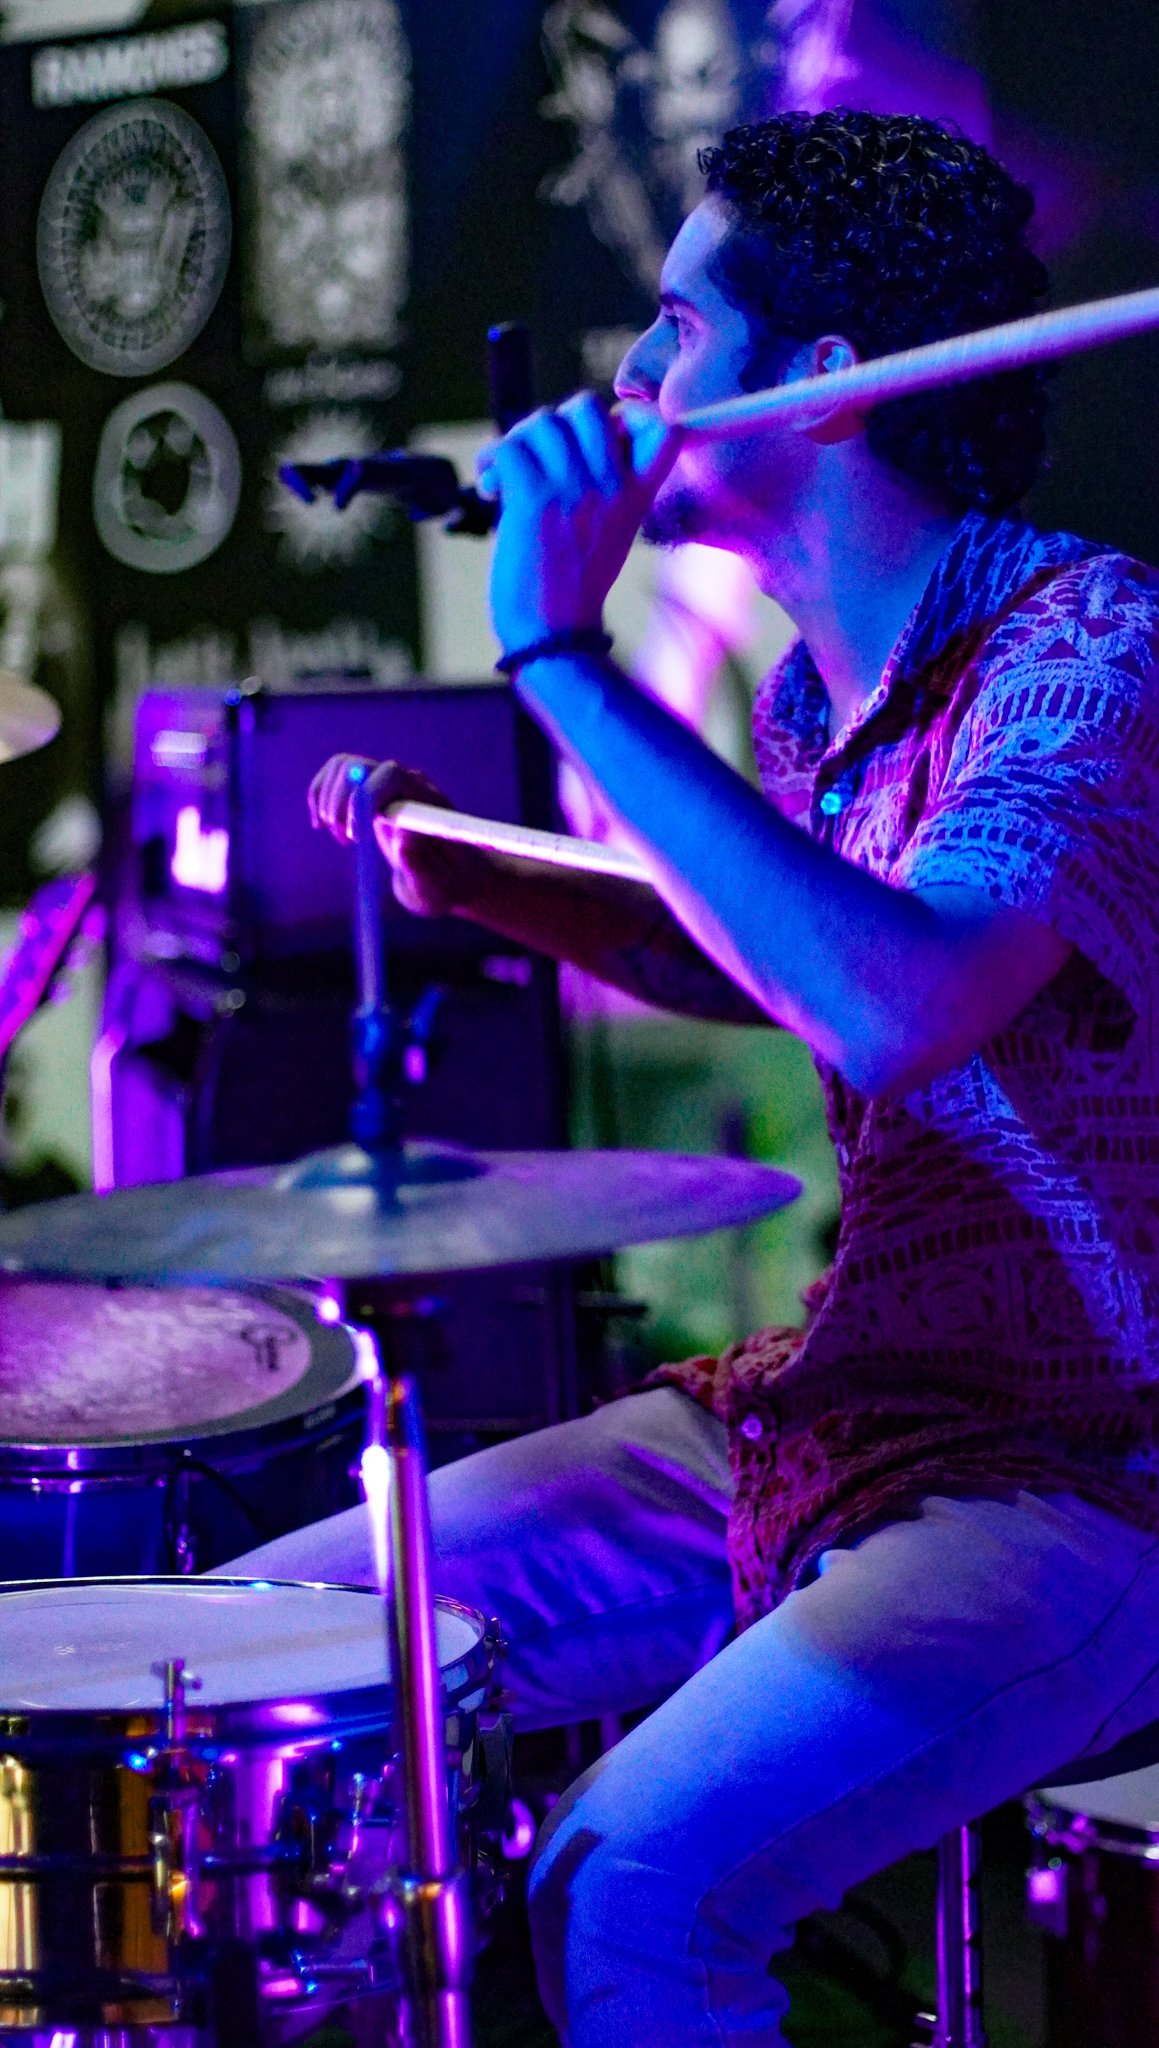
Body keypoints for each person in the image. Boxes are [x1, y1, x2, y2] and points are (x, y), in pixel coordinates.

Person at [224, 111, 1159, 2047]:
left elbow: (900, 1001)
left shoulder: (1090, 649)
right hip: (855, 1402)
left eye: (671, 329)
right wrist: (496, 875)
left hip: (1089, 1471)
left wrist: (561, 656)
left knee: (633, 1881)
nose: (632, 375)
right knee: (276, 1658)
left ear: (822, 384)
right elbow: (790, 958)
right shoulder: (821, 689)